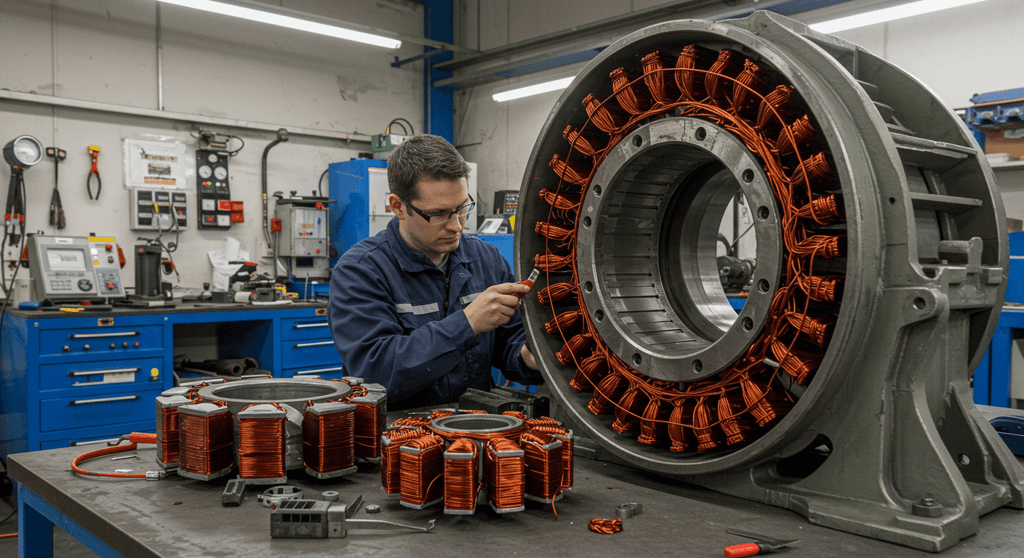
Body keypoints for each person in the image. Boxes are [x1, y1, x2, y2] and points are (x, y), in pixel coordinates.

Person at [328, 134, 541, 410]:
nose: (456, 226)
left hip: (474, 427)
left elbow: (509, 342)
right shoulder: (361, 272)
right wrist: (466, 324)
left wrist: (528, 356)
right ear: (398, 207)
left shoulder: (485, 259)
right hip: (399, 436)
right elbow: (377, 375)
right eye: (439, 214)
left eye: (462, 208)